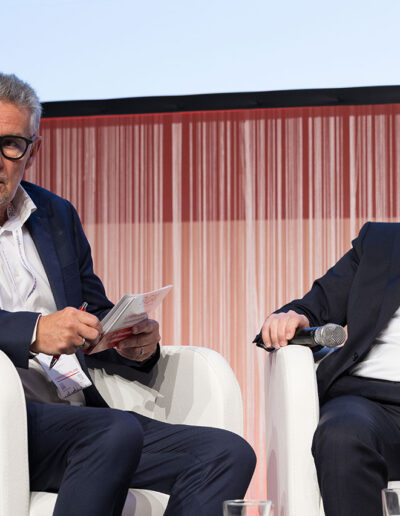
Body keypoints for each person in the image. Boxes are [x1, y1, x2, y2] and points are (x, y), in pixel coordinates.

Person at [0, 72, 256, 516]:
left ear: (33, 151)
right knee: (113, 431)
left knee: (226, 453)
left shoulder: (56, 215)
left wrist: (129, 342)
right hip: (13, 418)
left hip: (75, 416)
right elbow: (44, 330)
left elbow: (92, 311)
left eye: (10, 144)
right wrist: (35, 331)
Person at [257, 221, 400, 515]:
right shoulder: (382, 242)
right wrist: (291, 319)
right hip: (372, 402)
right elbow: (312, 308)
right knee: (342, 435)